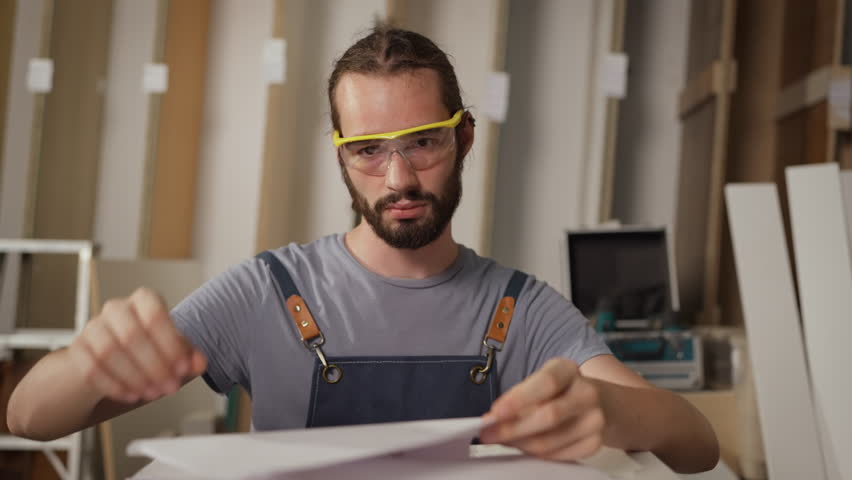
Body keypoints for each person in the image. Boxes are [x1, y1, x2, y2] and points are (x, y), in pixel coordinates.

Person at [7, 24, 718, 473]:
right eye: (369, 152)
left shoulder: (523, 310)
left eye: (424, 143)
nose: (400, 177)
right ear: (340, 155)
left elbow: (696, 446)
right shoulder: (266, 291)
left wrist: (611, 410)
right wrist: (89, 359)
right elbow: (29, 420)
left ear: (463, 136)